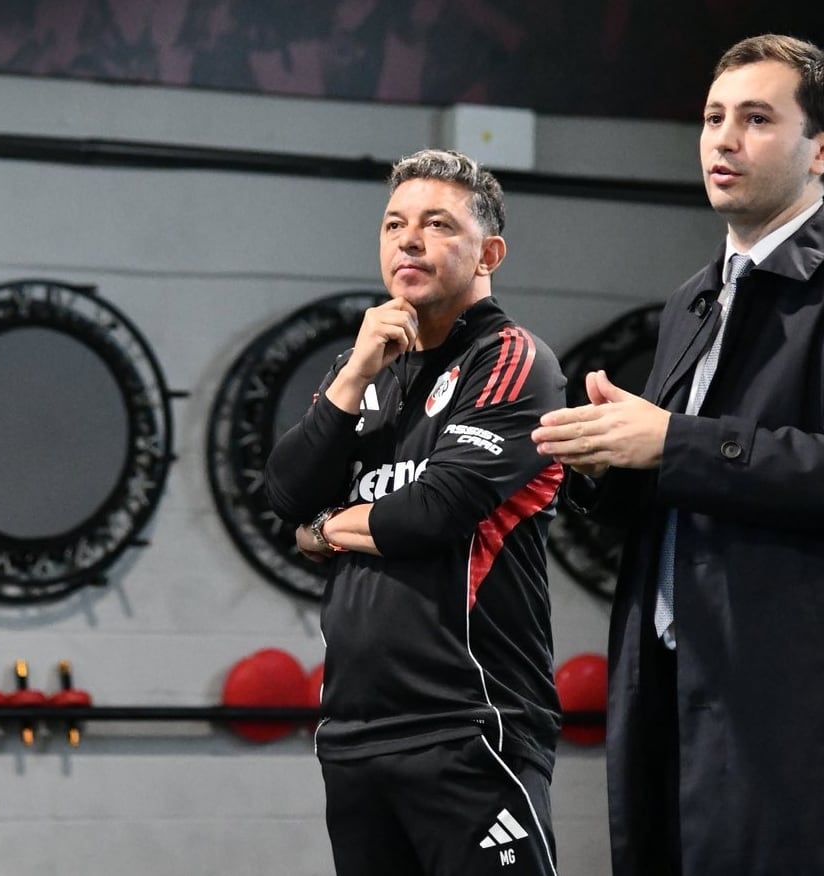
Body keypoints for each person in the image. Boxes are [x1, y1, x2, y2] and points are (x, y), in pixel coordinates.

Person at [531, 34, 824, 876]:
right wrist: (604, 465)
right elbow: (685, 483)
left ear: (823, 150)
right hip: (675, 681)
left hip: (797, 698)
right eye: (715, 117)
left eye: (757, 119)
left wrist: (669, 438)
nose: (723, 139)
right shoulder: (695, 296)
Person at [264, 148, 565, 876]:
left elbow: (433, 512)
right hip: (354, 735)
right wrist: (357, 373)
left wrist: (326, 531)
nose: (408, 240)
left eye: (437, 224)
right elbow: (283, 493)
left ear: (489, 252)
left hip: (469, 726)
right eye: (394, 224)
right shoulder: (364, 368)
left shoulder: (513, 359)